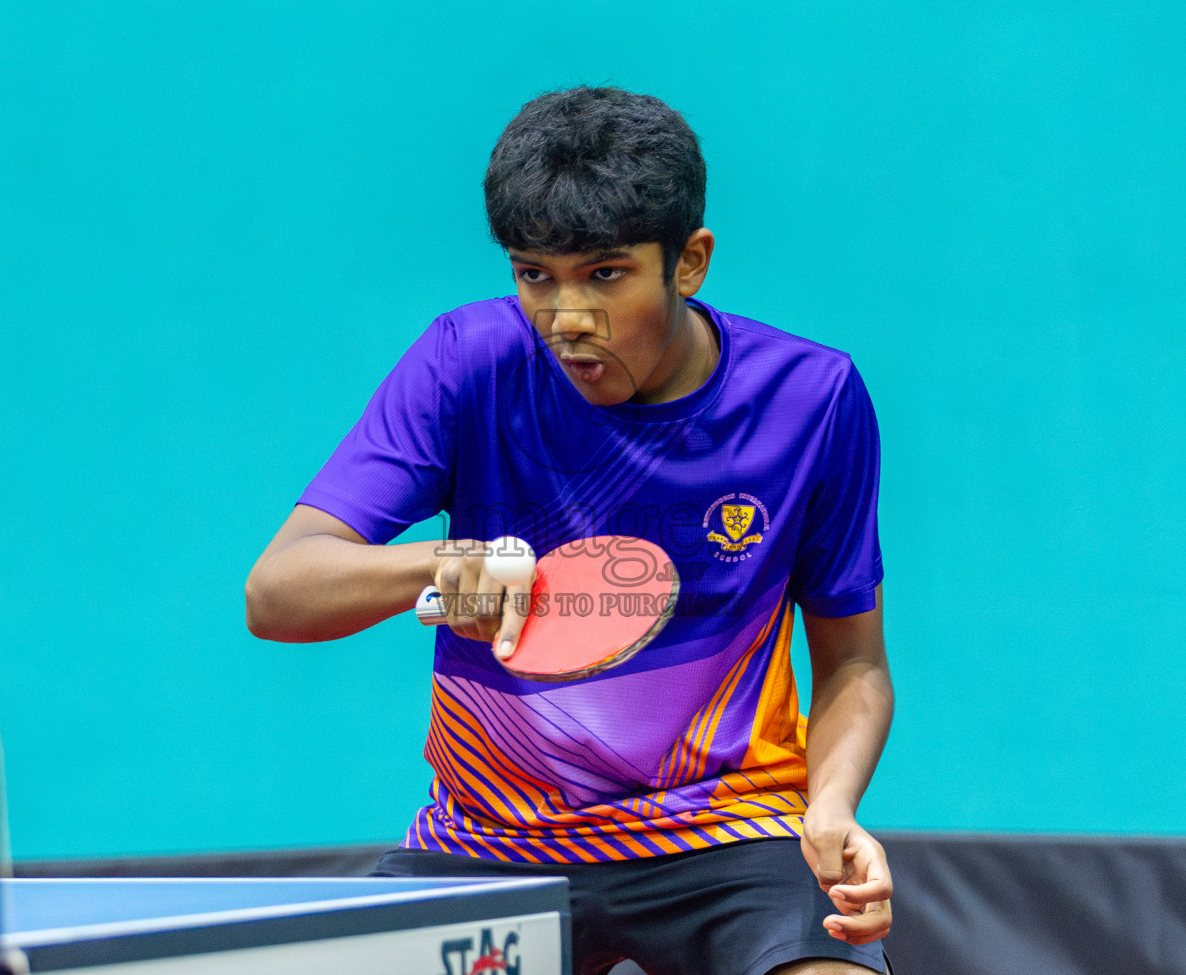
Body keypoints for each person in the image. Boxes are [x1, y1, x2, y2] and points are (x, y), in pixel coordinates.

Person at [245, 87, 895, 975]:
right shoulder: (466, 362)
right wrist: (437, 563)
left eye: (605, 274)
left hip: (734, 832)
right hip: (492, 838)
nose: (566, 318)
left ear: (690, 261)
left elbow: (854, 661)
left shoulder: (810, 400)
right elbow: (277, 593)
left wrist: (832, 805)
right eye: (533, 275)